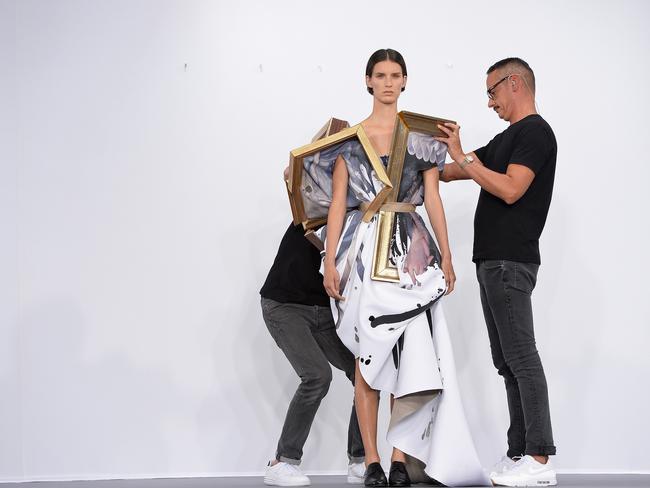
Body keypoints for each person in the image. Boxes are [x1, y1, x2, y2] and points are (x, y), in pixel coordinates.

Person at [315, 48, 488, 487]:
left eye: (395, 75)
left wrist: (446, 255)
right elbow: (338, 205)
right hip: (361, 256)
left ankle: (398, 459)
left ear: (405, 81)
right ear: (368, 82)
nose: (388, 82)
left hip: (411, 256)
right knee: (368, 356)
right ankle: (371, 460)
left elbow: (432, 198)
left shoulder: (422, 139)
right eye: (380, 75)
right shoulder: (348, 143)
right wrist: (329, 262)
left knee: (409, 355)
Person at [436, 57, 558, 487]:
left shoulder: (536, 134)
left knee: (522, 357)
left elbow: (509, 189)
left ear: (514, 84)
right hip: (491, 262)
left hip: (511, 260)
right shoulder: (506, 138)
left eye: (492, 92)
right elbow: (455, 170)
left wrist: (462, 159)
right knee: (506, 361)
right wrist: (407, 161)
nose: (489, 102)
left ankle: (540, 459)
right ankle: (519, 452)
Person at [260, 218, 366, 485]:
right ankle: (282, 462)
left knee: (364, 373)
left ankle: (359, 461)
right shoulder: (311, 210)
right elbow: (290, 174)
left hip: (322, 308)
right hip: (284, 305)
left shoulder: (357, 221)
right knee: (318, 376)